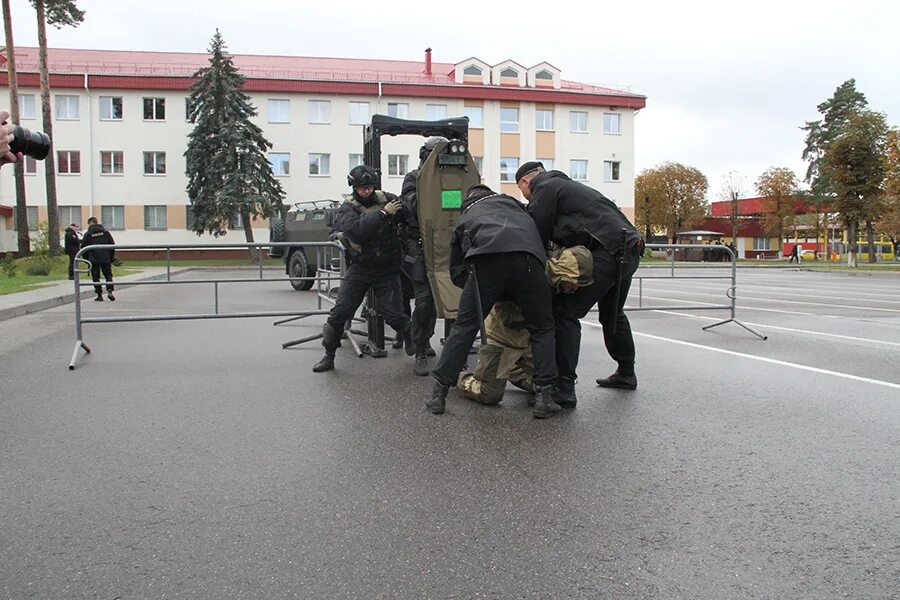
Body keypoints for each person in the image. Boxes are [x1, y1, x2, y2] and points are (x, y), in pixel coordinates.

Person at [428, 184, 560, 419]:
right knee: (542, 328)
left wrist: (484, 294)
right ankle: (544, 397)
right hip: (528, 260)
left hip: (486, 263)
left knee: (464, 329)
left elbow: (456, 269)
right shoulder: (517, 208)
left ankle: (438, 394)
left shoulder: (466, 217)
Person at [517, 161, 643, 405]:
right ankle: (626, 372)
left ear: (525, 182)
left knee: (564, 312)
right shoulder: (567, 187)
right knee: (613, 314)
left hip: (609, 251)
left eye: (522, 192)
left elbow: (537, 234)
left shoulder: (545, 187)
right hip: (630, 248)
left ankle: (564, 388)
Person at [457, 244, 593, 406]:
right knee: (489, 394)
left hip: (529, 341)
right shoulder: (531, 272)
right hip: (502, 336)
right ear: (565, 271)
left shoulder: (557, 283)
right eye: (574, 282)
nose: (576, 288)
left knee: (544, 385)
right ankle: (460, 376)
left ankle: (512, 370)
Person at [313, 165, 412, 372]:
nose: (365, 191)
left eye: (368, 187)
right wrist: (384, 214)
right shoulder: (347, 208)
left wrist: (404, 212)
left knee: (395, 316)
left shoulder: (388, 198)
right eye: (361, 188)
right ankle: (328, 356)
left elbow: (409, 216)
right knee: (339, 314)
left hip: (387, 268)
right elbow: (358, 230)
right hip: (361, 268)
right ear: (354, 187)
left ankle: (417, 345)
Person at [399, 136, 446, 375]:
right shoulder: (413, 179)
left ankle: (427, 341)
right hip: (419, 247)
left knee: (448, 300)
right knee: (425, 301)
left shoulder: (449, 179)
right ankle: (419, 348)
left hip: (444, 247)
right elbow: (414, 205)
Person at [80, 216, 116, 301]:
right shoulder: (106, 233)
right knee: (108, 275)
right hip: (105, 258)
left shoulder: (88, 234)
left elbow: (83, 248)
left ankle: (99, 294)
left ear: (91, 223)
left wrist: (87, 259)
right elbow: (112, 245)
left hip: (93, 259)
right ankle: (110, 291)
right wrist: (110, 258)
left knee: (95, 277)